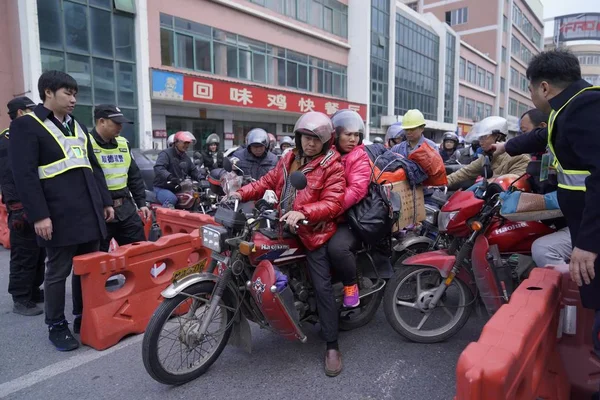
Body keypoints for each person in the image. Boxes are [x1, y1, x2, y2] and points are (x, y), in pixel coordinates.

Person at [492, 50, 600, 364]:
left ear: (543, 87)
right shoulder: (567, 109)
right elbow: (543, 136)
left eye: (528, 89)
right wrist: (505, 145)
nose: (530, 95)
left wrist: (588, 244)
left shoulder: (586, 110)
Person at [229, 111, 346, 377]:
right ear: (298, 137)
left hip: (314, 233)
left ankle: (332, 345)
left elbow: (334, 202)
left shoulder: (332, 165)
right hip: (284, 227)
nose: (310, 144)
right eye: (306, 138)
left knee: (322, 285)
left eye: (316, 139)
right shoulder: (287, 159)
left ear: (326, 142)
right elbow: (265, 183)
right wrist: (238, 193)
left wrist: (305, 212)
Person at [10, 71, 114, 351]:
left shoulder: (77, 125)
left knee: (87, 270)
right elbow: (25, 175)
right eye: (67, 93)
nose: (73, 99)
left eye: (75, 94)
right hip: (57, 214)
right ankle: (56, 325)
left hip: (89, 211)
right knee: (57, 271)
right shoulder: (27, 126)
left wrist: (105, 201)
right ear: (48, 93)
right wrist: (39, 215)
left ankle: (83, 317)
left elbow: (93, 166)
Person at [1, 97, 46, 316]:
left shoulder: (25, 135)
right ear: (20, 113)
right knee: (24, 254)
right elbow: (12, 175)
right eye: (31, 110)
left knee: (38, 252)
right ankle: (20, 297)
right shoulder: (7, 139)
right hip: (20, 206)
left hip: (33, 202)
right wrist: (17, 205)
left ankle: (34, 290)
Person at [89, 105, 150, 253]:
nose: (120, 127)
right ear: (101, 121)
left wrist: (141, 203)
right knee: (96, 261)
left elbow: (134, 176)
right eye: (116, 123)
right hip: (100, 212)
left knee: (139, 254)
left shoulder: (123, 144)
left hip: (126, 210)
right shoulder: (86, 144)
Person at [327, 109, 371, 308]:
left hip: (350, 218)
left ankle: (350, 286)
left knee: (337, 248)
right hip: (328, 214)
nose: (353, 139)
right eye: (348, 134)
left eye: (356, 135)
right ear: (335, 135)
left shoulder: (359, 157)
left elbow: (356, 190)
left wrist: (329, 209)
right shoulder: (327, 154)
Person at [446, 116, 530, 188]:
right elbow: (466, 171)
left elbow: (516, 184)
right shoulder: (488, 156)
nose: (480, 142)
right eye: (480, 138)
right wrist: (442, 183)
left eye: (484, 137)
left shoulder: (519, 156)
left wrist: (492, 182)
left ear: (498, 136)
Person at [153, 131, 205, 208]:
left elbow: (193, 170)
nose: (186, 145)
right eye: (184, 143)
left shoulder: (185, 157)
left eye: (188, 143)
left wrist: (201, 178)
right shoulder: (165, 154)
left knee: (194, 198)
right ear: (176, 142)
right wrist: (170, 177)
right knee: (171, 199)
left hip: (177, 187)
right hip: (162, 187)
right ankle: (164, 219)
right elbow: (159, 168)